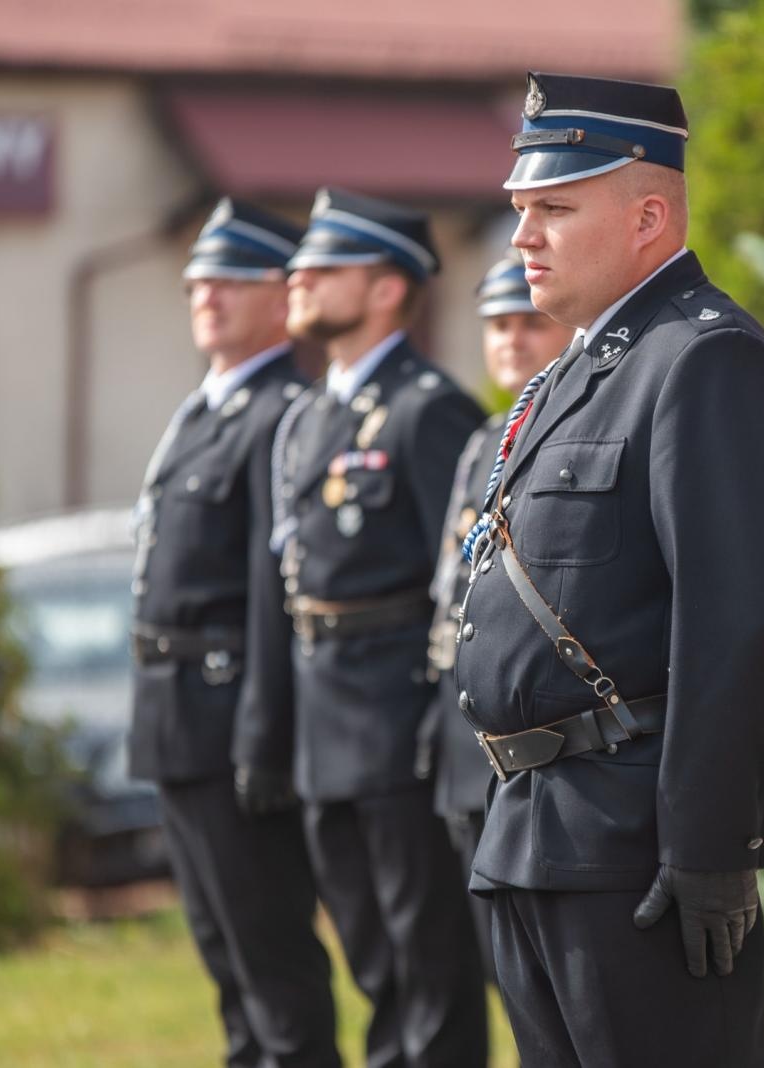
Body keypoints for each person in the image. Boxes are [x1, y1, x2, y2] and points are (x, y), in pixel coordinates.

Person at [452, 72, 764, 1067]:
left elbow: (741, 625)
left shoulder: (704, 360)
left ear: (648, 217)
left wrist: (706, 846)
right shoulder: (572, 374)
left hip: (639, 851)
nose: (522, 237)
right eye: (521, 209)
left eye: (555, 210)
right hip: (535, 836)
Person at [259, 188, 488, 1068]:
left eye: (326, 266)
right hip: (325, 719)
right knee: (371, 956)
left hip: (401, 722)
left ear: (388, 288)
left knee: (428, 961)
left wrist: (445, 720)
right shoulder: (313, 414)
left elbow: (466, 587)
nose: (300, 277)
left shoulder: (429, 409)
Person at [128, 198, 340, 1068]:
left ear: (282, 298)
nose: (206, 296)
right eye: (196, 283)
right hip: (174, 716)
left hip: (228, 720)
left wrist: (263, 734)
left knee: (270, 957)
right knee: (224, 958)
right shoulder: (204, 413)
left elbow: (269, 590)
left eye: (231, 280)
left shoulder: (279, 414)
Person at [418, 248, 574, 985]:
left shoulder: (568, 427)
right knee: (496, 970)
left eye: (527, 323)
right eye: (497, 325)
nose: (511, 339)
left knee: (546, 979)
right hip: (467, 739)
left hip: (536, 740)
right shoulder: (485, 440)